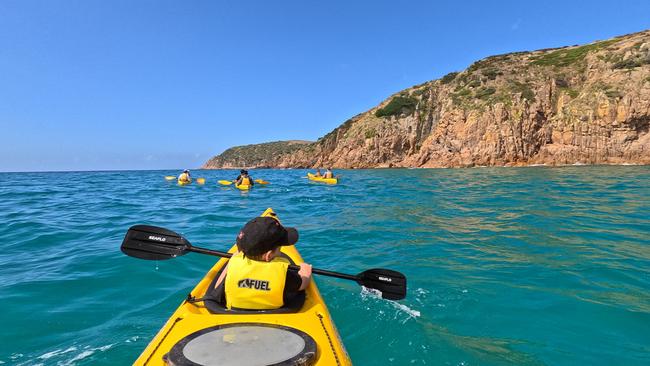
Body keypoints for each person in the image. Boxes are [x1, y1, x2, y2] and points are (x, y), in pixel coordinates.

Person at [214, 215, 312, 310]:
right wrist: (305, 271)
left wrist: (234, 258)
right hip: (276, 316)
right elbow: (303, 284)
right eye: (280, 248)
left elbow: (217, 288)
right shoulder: (284, 275)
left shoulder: (234, 264)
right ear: (268, 255)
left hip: (234, 312)